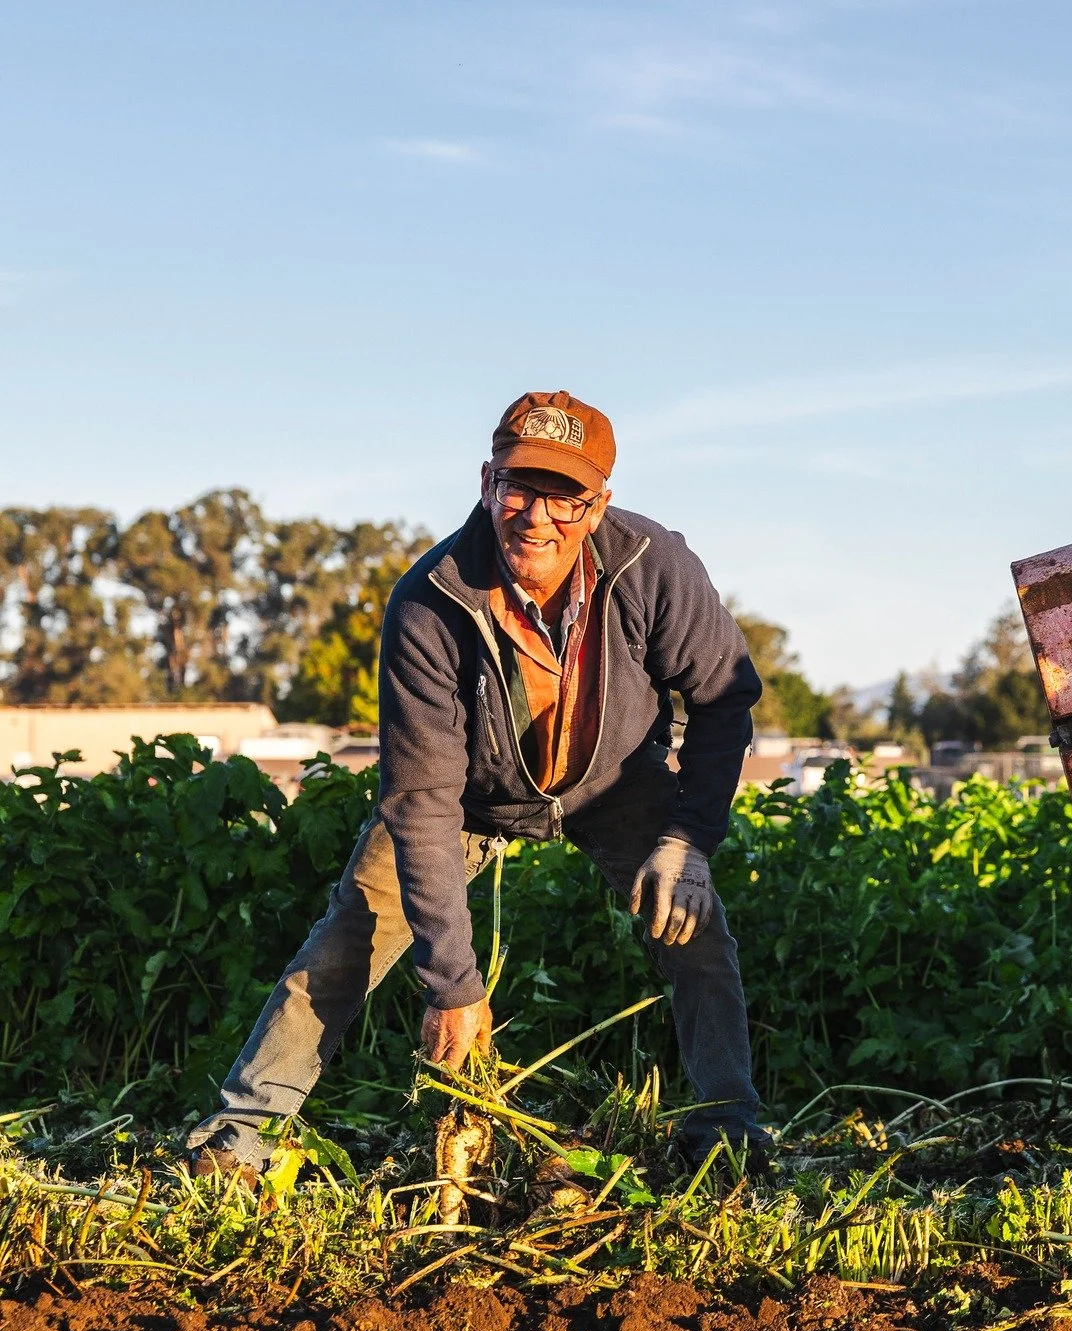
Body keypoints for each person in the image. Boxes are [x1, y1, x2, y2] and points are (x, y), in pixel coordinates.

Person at [185, 390, 767, 1177]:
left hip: (615, 783)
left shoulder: (653, 566)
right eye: (519, 487)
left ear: (598, 506)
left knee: (694, 926)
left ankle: (727, 1133)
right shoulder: (431, 600)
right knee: (354, 928)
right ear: (488, 482)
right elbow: (421, 799)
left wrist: (687, 840)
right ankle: (239, 1135)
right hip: (469, 799)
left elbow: (725, 696)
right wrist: (453, 982)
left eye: (564, 497)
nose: (536, 516)